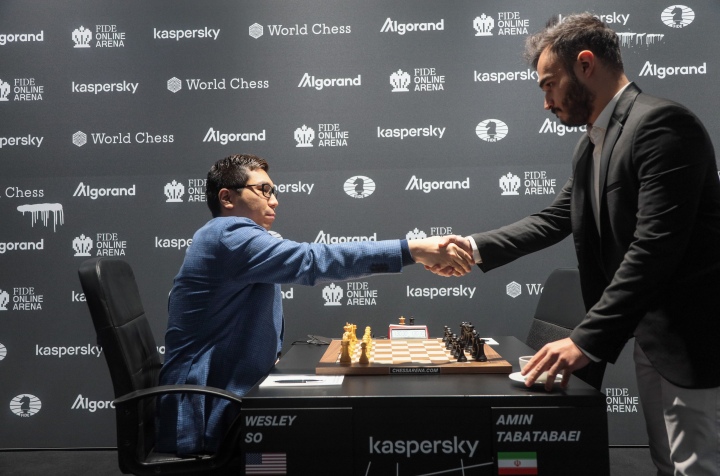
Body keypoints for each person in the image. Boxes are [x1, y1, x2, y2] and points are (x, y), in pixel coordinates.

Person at [436, 13, 720, 476]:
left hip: (693, 340)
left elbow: (653, 249)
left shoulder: (662, 125)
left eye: (549, 85)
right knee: (668, 463)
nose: (546, 102)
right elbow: (554, 220)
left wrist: (584, 341)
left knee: (696, 467)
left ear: (585, 63)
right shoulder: (592, 143)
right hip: (653, 338)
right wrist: (470, 246)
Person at [157, 153, 473, 455]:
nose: (275, 201)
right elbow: (312, 261)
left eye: (274, 191)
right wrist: (412, 250)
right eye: (263, 190)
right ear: (227, 198)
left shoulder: (224, 236)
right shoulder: (229, 234)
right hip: (208, 408)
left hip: (224, 394)